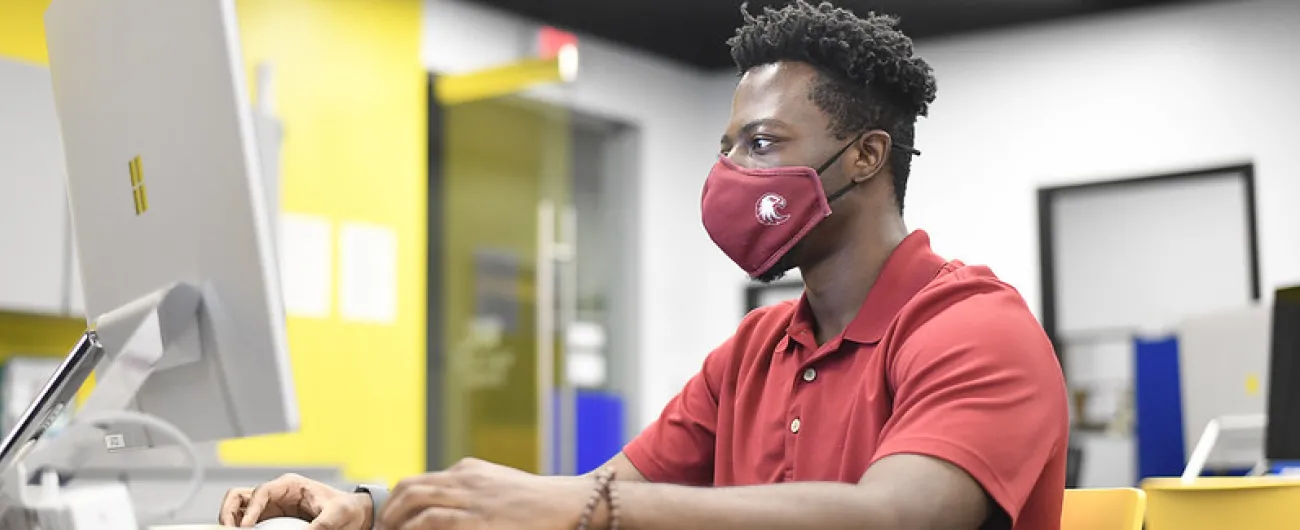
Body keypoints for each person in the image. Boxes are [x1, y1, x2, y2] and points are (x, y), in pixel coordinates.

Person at [219, 1, 1069, 529]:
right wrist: (372, 509)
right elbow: (596, 490)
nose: (732, 173)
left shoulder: (974, 329)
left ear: (864, 156)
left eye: (763, 144)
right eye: (727, 146)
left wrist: (588, 510)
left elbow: (899, 517)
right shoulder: (753, 353)